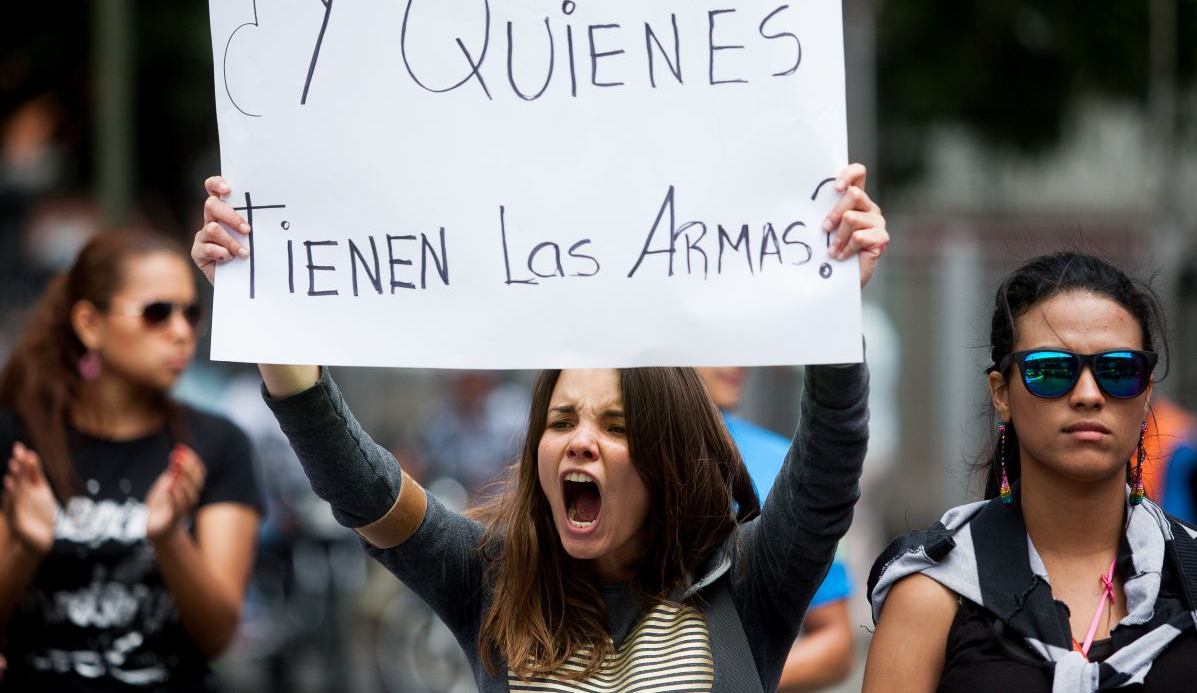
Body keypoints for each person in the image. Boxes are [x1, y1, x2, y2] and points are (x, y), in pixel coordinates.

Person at [192, 164, 888, 692]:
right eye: (561, 420)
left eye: (616, 425)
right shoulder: (488, 580)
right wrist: (264, 311)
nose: (580, 440)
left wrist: (833, 296)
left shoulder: (748, 578)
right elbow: (359, 484)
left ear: (668, 458)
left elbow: (828, 462)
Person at [863, 251, 1197, 693]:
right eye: (1050, 370)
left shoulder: (1190, 572)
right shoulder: (931, 594)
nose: (1088, 394)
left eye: (1118, 370)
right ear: (1001, 394)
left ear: (1146, 392)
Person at [0, 229, 263, 690]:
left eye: (191, 313)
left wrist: (170, 539)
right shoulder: (21, 442)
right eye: (157, 313)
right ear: (90, 324)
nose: (181, 332)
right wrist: (26, 547)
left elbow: (218, 637)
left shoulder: (217, 443)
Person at [695, 367, 855, 691]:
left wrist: (719, 681)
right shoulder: (612, 453)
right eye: (713, 344)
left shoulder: (786, 466)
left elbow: (836, 642)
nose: (736, 363)